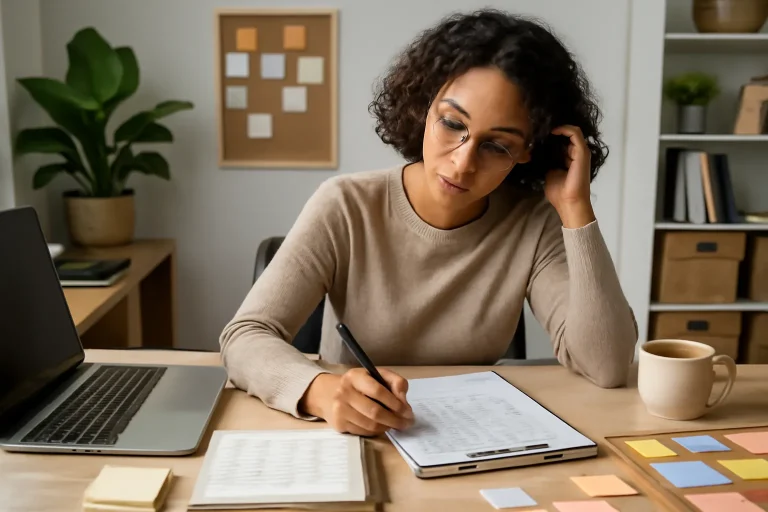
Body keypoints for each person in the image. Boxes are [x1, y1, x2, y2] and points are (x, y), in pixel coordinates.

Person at [220, 9, 638, 437]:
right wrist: (323, 393)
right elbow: (246, 336)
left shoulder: (533, 222)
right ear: (424, 107)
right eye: (453, 124)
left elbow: (606, 366)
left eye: (497, 145)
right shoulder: (346, 204)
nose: (462, 162)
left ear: (530, 150)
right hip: (352, 437)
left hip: (472, 441)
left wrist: (576, 209)